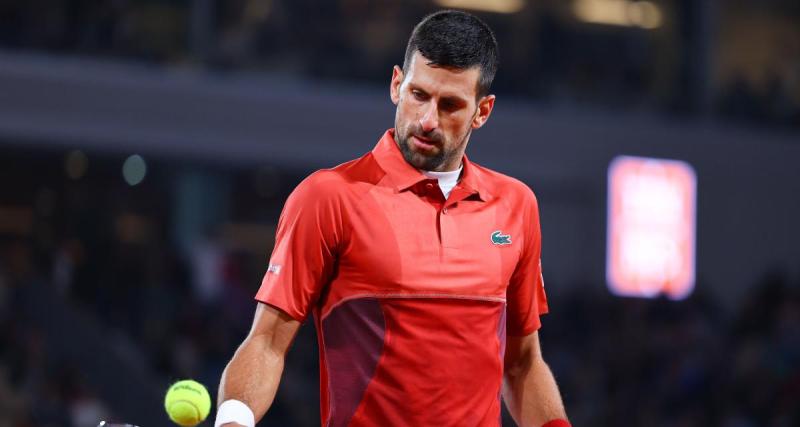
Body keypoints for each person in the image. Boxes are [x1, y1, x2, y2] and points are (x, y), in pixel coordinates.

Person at [215, 10, 570, 427]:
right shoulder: (328, 197)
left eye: (451, 105)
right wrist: (233, 419)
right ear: (396, 84)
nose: (427, 120)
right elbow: (268, 342)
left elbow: (522, 365)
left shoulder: (517, 205)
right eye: (419, 94)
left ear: (482, 111)